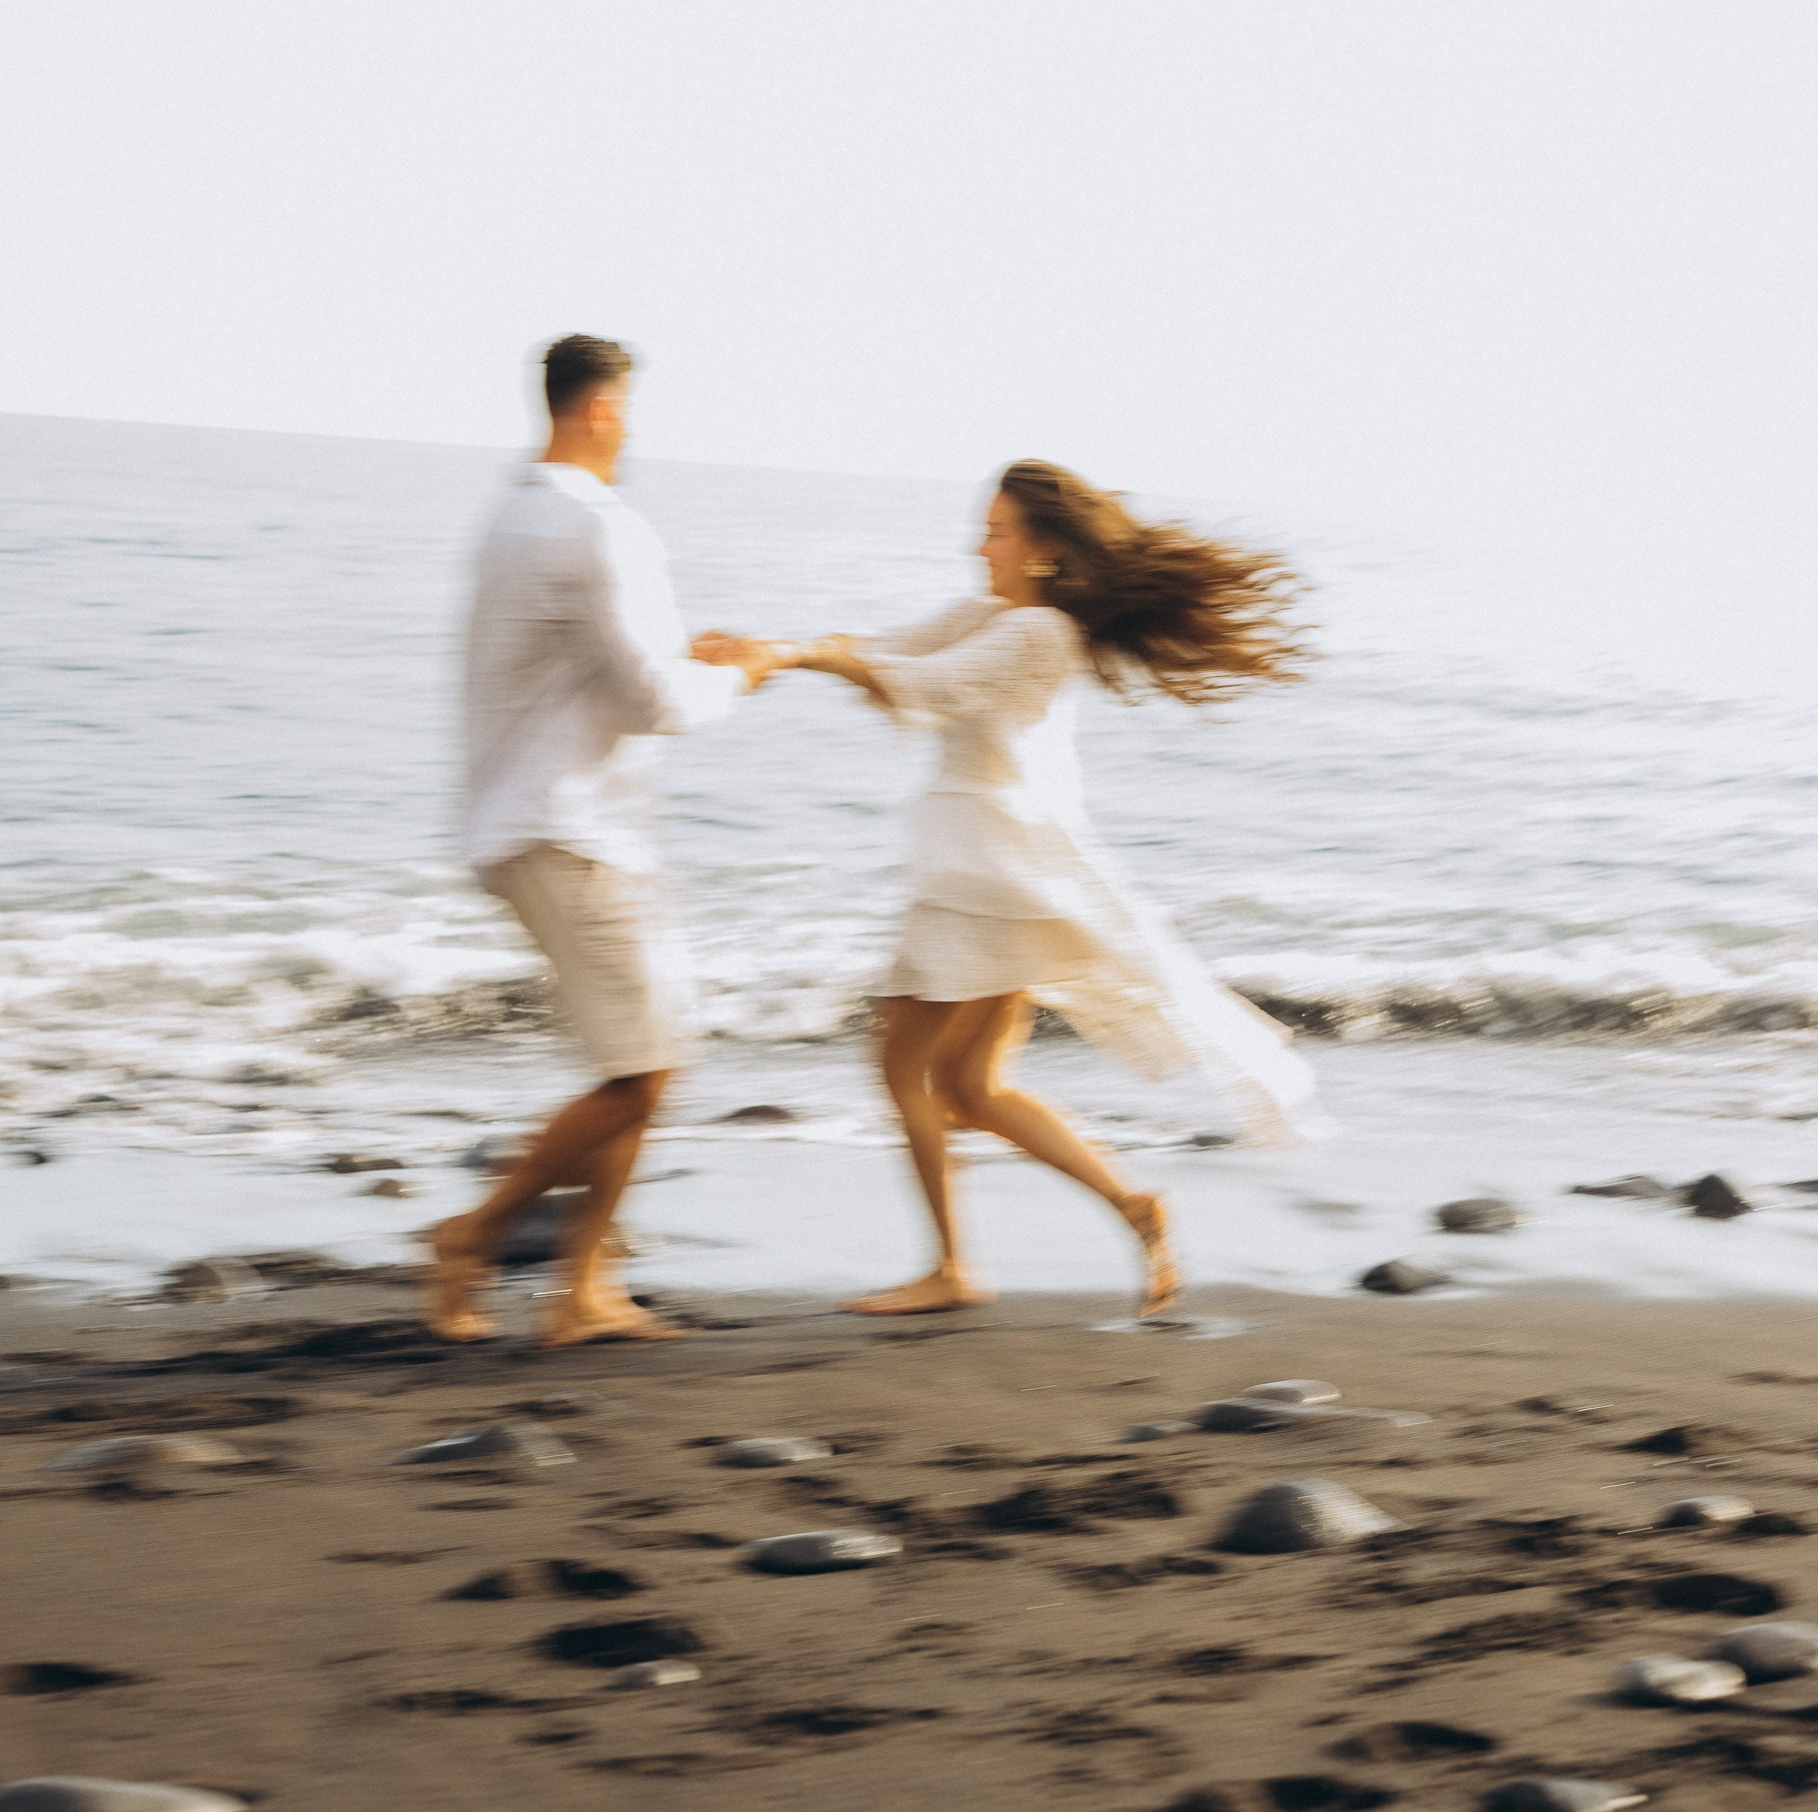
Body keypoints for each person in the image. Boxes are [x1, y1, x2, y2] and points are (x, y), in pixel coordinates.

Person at [694, 460, 1315, 1318]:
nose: (976, 544)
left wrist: (796, 655)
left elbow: (931, 686)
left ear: (1045, 553)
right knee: (972, 1088)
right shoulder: (991, 616)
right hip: (1002, 873)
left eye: (995, 531)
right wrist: (777, 651)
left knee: (900, 1072)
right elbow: (890, 654)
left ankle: (951, 1268)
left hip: (979, 880)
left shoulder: (1039, 637)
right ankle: (1133, 1206)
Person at [425, 335, 773, 1346]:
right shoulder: (593, 523)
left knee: (645, 1056)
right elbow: (653, 699)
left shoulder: (515, 516)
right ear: (604, 410)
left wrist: (687, 660)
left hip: (554, 820)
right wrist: (740, 674)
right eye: (628, 412)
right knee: (647, 1069)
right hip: (566, 826)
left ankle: (580, 1287)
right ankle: (474, 1236)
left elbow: (602, 668)